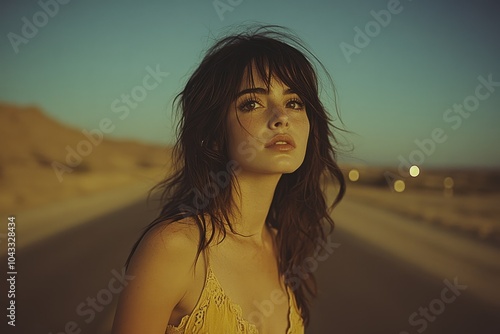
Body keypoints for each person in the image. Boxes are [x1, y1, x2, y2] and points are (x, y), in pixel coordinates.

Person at [112, 25, 346, 334]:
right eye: (252, 103)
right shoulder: (173, 249)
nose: (281, 116)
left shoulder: (283, 247)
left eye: (294, 102)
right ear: (213, 135)